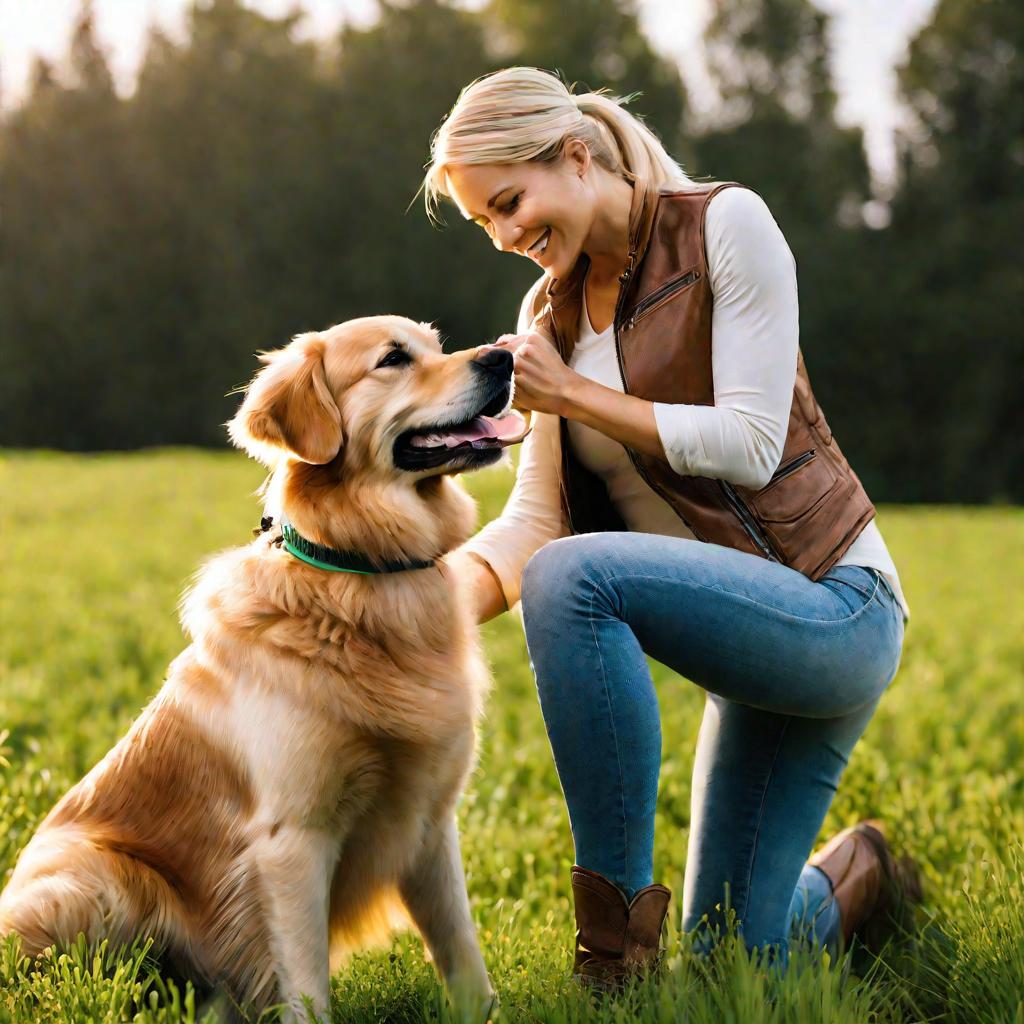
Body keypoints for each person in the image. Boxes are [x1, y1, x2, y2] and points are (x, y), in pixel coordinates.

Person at [423, 67, 920, 987]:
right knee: (735, 965)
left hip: (835, 609)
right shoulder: (551, 314)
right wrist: (407, 609)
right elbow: (533, 524)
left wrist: (574, 393)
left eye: (509, 202)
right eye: (483, 223)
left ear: (575, 155)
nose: (504, 238)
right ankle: (863, 877)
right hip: (747, 637)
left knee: (575, 579)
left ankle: (614, 962)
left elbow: (749, 441)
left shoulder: (725, 225)